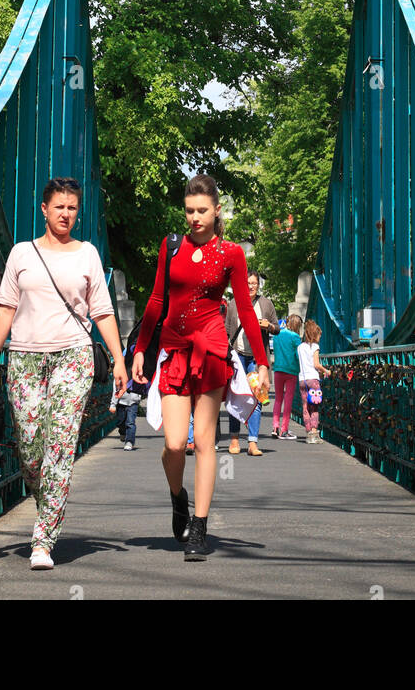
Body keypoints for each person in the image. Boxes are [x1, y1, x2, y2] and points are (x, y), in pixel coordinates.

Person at [0, 177, 127, 569]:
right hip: (25, 358)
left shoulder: (88, 254)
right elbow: (5, 309)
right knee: (30, 448)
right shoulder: (21, 254)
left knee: (59, 447)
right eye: (59, 206)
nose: (66, 213)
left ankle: (43, 540)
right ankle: (50, 505)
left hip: (73, 359)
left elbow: (103, 312)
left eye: (72, 207)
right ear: (43, 209)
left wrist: (119, 359)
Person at [131, 173, 269, 561]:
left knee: (205, 442)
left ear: (217, 210)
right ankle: (179, 499)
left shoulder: (231, 254)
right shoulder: (170, 246)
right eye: (189, 210)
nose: (194, 217)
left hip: (210, 351)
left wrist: (262, 361)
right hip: (174, 350)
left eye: (202, 211)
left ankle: (200, 528)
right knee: (174, 444)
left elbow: (244, 308)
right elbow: (157, 300)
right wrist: (141, 348)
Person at [224, 271, 279, 456]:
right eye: (247, 283)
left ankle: (253, 442)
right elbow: (226, 331)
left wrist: (269, 326)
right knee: (236, 396)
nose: (251, 286)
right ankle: (233, 439)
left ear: (258, 285)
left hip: (257, 358)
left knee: (257, 397)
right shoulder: (233, 304)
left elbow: (277, 328)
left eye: (254, 283)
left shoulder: (266, 303)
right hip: (237, 356)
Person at [298, 319, 330, 443]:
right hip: (313, 380)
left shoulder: (300, 347)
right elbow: (316, 364)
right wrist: (326, 370)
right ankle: (314, 432)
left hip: (302, 380)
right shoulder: (315, 346)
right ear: (315, 335)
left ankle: (308, 433)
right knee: (314, 407)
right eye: (319, 335)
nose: (320, 338)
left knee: (305, 406)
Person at [271, 314, 302, 438]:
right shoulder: (295, 337)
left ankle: (275, 427)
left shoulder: (277, 335)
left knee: (278, 399)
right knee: (288, 400)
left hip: (278, 369)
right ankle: (284, 430)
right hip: (291, 371)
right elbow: (298, 355)